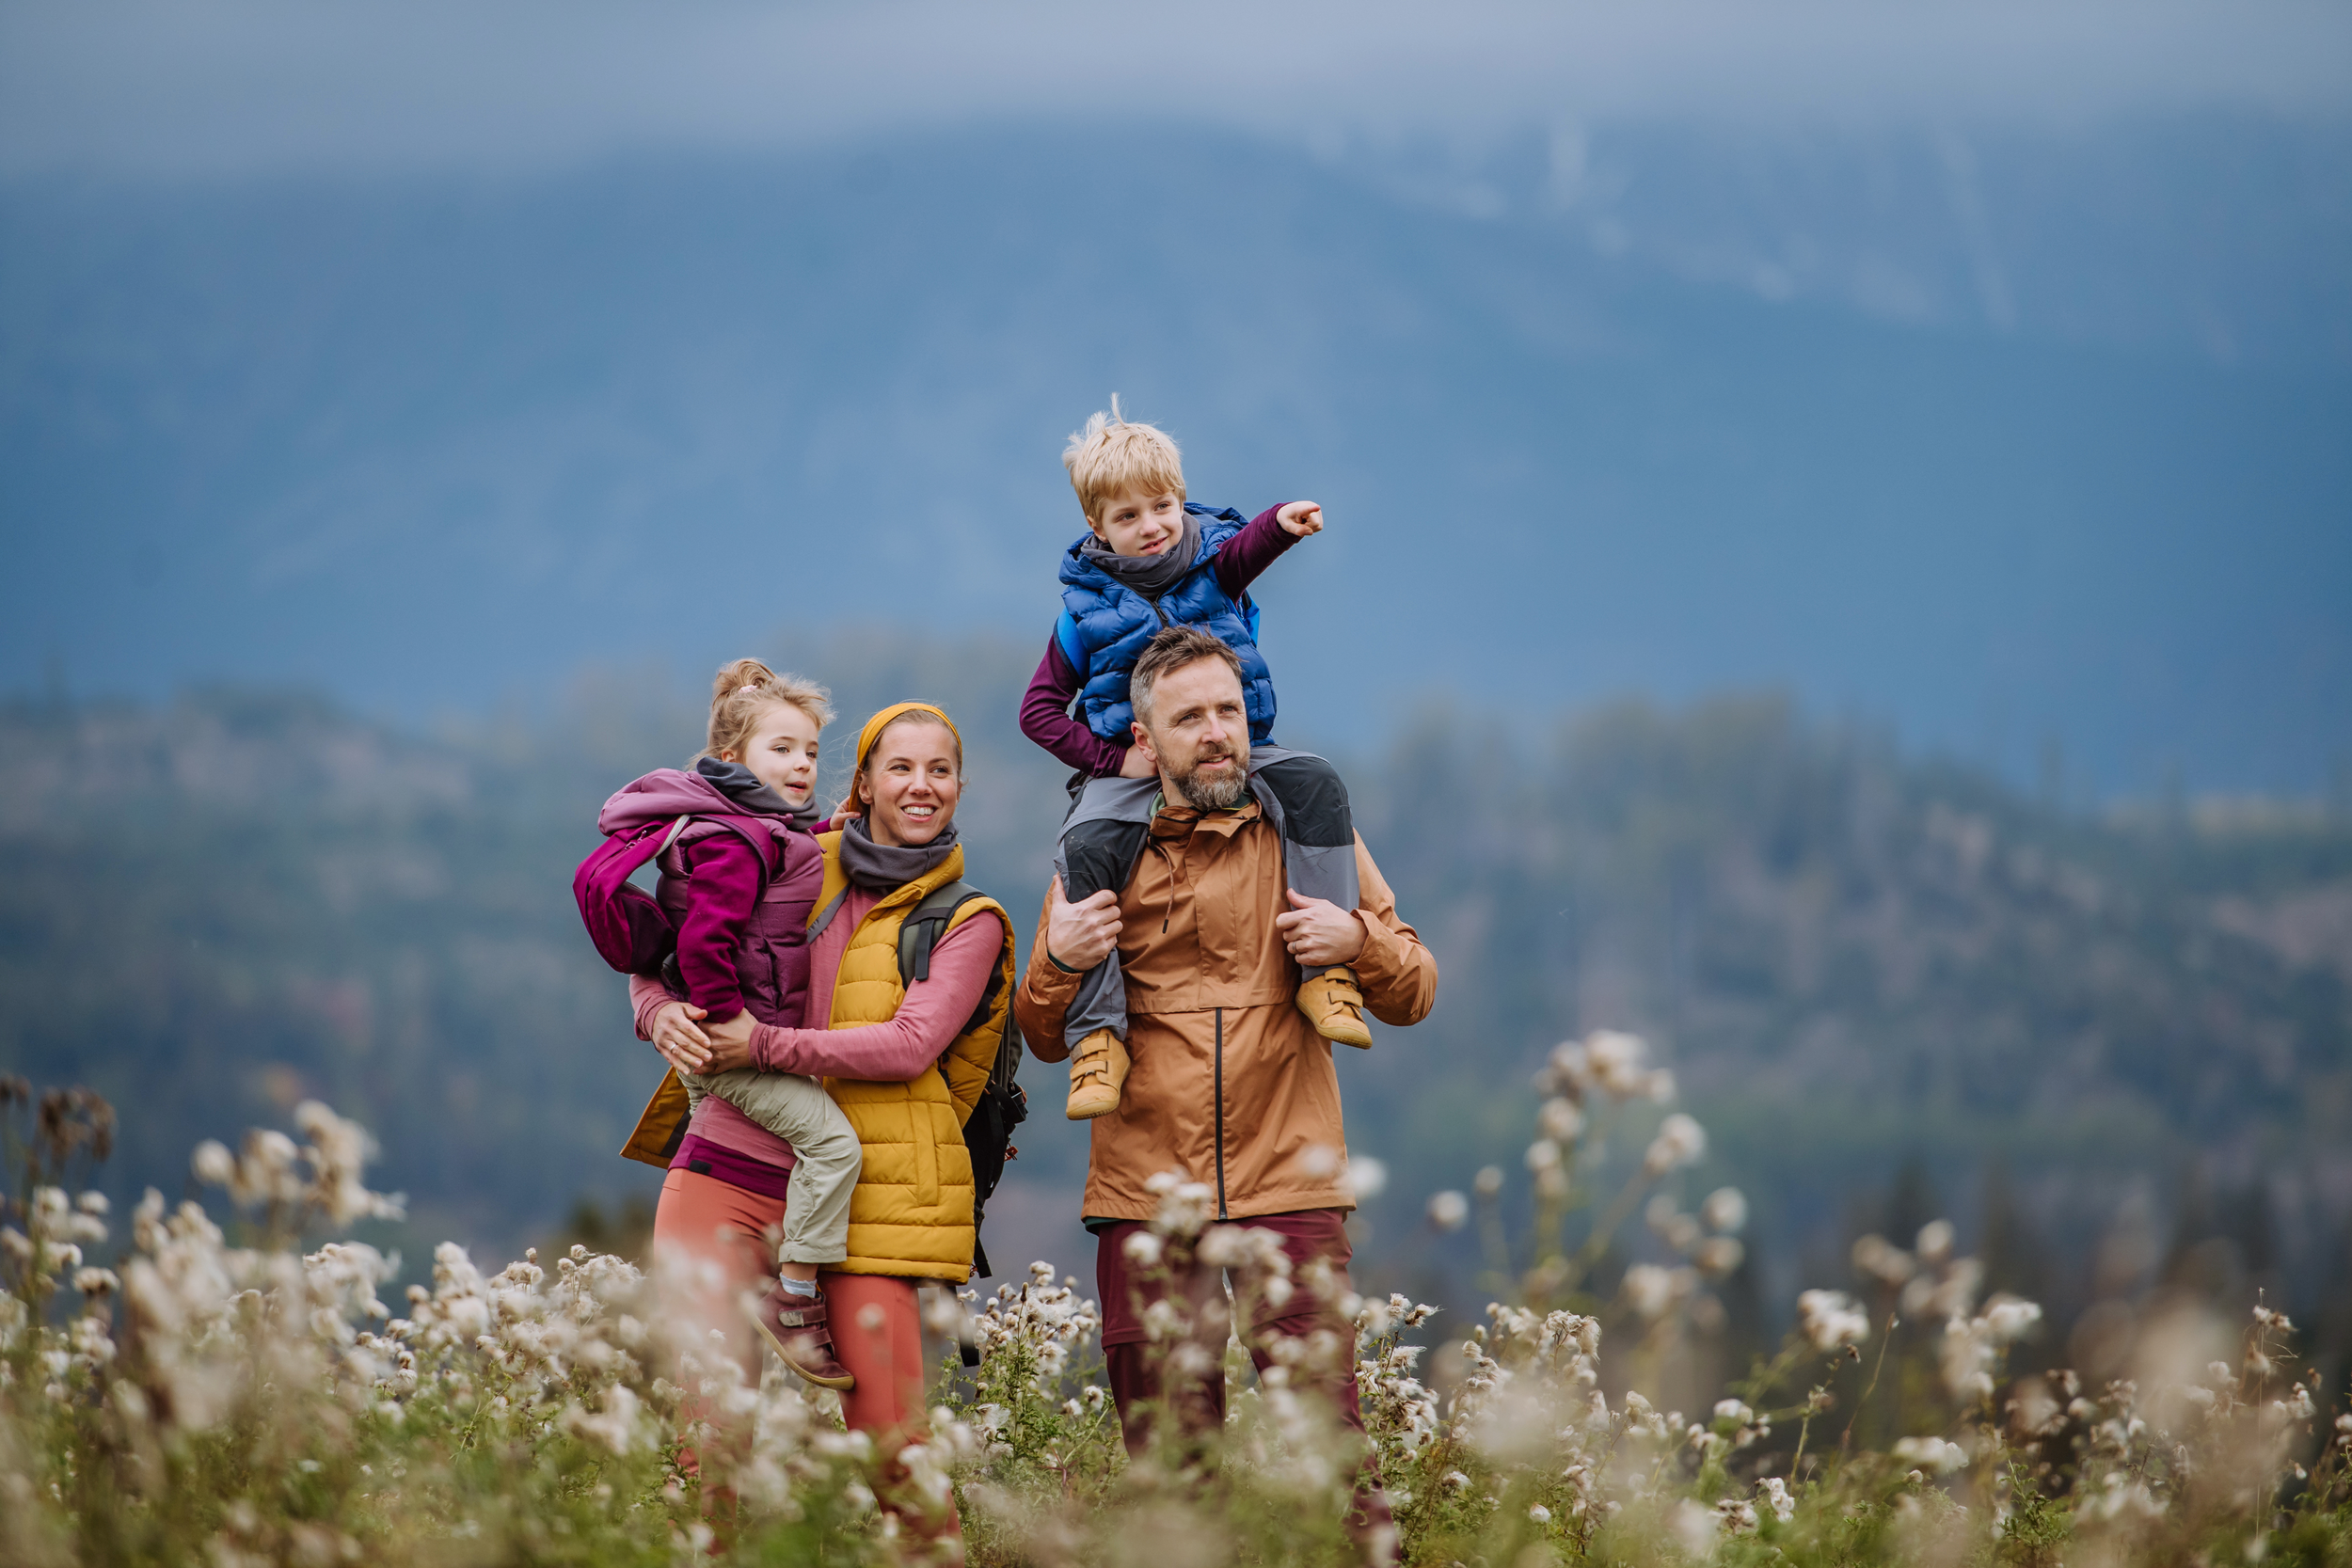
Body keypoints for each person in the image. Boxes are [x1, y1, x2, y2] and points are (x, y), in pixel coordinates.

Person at [1012, 626, 1439, 1549]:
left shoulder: (1311, 833)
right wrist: (1057, 958)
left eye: (1227, 711)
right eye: (1189, 717)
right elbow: (1043, 1034)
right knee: (1170, 1463)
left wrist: (1353, 943)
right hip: (1143, 1196)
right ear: (1145, 735)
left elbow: (1414, 988)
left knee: (1329, 1450)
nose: (1215, 733)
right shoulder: (1096, 847)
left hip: (1289, 1183)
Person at [623, 701, 1014, 1536]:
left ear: (960, 787)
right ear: (863, 782)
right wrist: (655, 1012)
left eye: (939, 770)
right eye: (899, 767)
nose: (920, 785)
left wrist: (760, 1041)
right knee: (708, 1439)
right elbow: (665, 948)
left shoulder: (968, 920)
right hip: (723, 1171)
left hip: (864, 1205)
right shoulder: (787, 854)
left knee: (894, 1449)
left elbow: (910, 1046)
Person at [1017, 399, 1370, 1123]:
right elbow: (1039, 710)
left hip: (1239, 752)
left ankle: (1326, 971)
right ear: (1097, 528)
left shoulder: (1215, 563)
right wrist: (1115, 762)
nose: (1152, 526)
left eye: (1164, 506)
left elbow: (1248, 550)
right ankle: (1097, 1039)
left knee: (1317, 784)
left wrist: (1282, 522)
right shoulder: (1081, 612)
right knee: (1083, 846)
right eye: (1129, 516)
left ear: (1182, 501)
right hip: (1135, 768)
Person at [599, 659, 859, 1388]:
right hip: (734, 1052)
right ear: (732, 758)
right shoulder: (738, 838)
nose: (803, 764)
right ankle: (796, 1297)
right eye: (782, 749)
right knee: (833, 1146)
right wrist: (711, 1016)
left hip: (727, 1057)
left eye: (810, 750)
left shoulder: (759, 830)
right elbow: (695, 941)